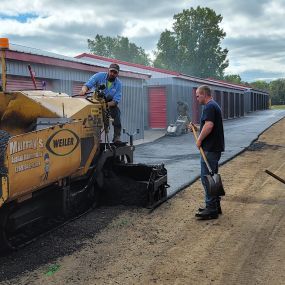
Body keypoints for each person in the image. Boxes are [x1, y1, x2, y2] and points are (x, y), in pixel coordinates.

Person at [190, 85, 225, 220]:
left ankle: (211, 209)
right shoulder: (213, 105)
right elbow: (207, 126)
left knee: (207, 178)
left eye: (198, 95)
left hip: (210, 149)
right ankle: (215, 205)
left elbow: (209, 126)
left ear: (204, 94)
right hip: (213, 148)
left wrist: (199, 140)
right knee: (212, 176)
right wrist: (196, 127)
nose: (196, 98)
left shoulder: (209, 106)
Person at [79, 63, 122, 143]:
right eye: (111, 71)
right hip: (95, 102)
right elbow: (88, 84)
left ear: (117, 74)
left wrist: (106, 105)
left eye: (115, 72)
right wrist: (84, 90)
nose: (112, 74)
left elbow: (116, 101)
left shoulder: (118, 84)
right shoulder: (99, 76)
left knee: (117, 113)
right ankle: (96, 138)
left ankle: (117, 137)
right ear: (108, 70)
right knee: (94, 118)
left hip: (108, 104)